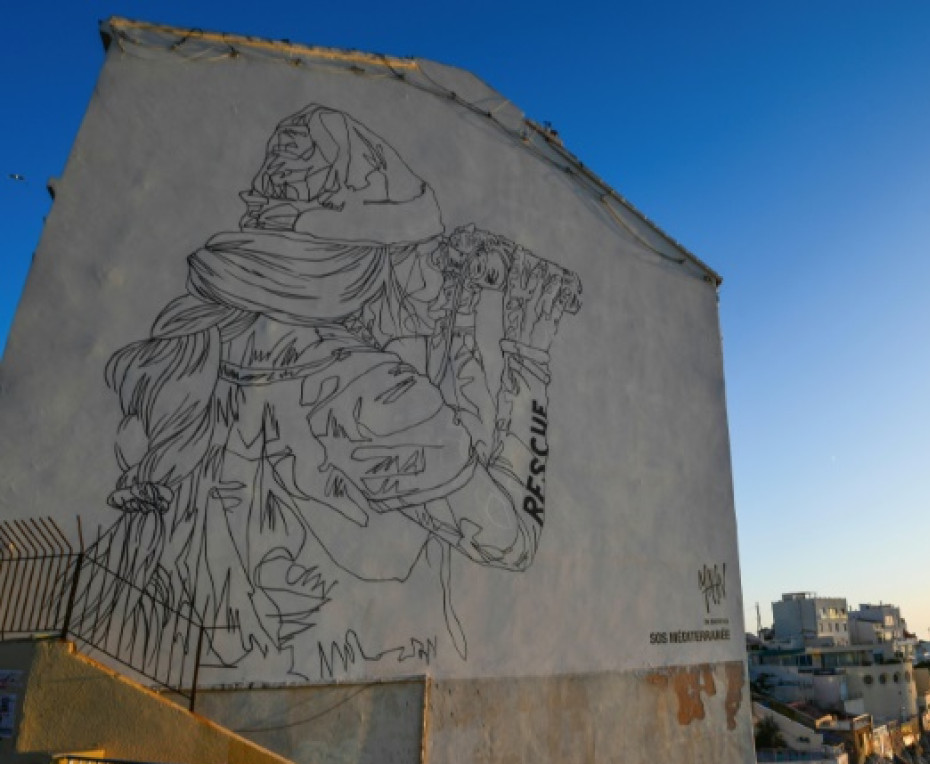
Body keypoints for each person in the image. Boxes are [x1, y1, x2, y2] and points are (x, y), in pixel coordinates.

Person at [86, 104, 581, 681]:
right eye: (424, 253)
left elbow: (447, 443)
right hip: (308, 685)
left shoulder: (213, 329)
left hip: (171, 659)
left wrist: (464, 321)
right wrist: (527, 356)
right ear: (372, 258)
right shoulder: (357, 386)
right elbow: (509, 536)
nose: (436, 278)